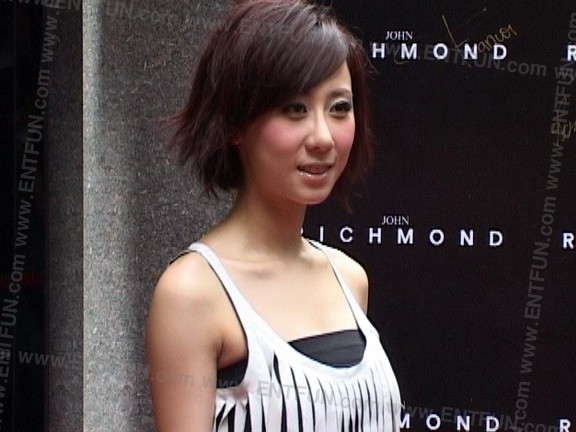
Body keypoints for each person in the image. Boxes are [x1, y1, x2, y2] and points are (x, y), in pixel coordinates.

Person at [145, 0, 401, 430]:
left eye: (339, 108)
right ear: (234, 124)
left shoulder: (349, 279)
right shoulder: (192, 294)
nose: (322, 137)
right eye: (294, 109)